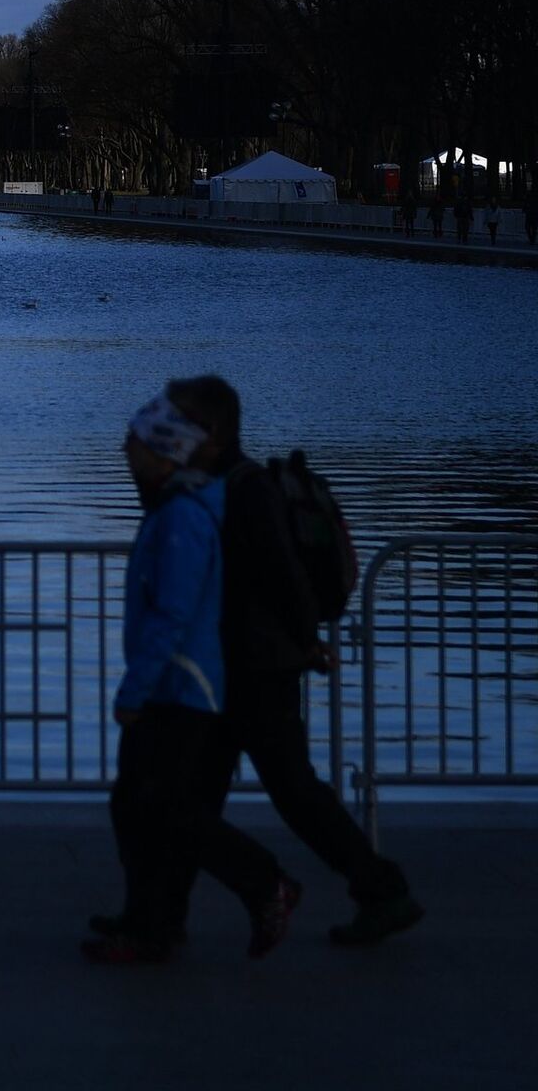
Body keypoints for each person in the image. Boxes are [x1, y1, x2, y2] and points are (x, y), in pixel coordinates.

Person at [178, 376, 424, 947]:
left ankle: (356, 888)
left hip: (254, 668)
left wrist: (304, 640)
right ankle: (162, 917)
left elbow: (283, 575)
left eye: (183, 423)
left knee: (249, 796)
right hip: (238, 666)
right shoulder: (217, 485)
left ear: (211, 432)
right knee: (214, 798)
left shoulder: (246, 489)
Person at [83, 389, 288, 965]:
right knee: (136, 806)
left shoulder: (182, 519)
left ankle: (258, 882)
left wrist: (134, 691)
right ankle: (150, 919)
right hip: (172, 687)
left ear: (164, 453)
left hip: (180, 689)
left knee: (165, 811)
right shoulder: (174, 509)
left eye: (136, 441)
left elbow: (174, 614)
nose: (125, 449)